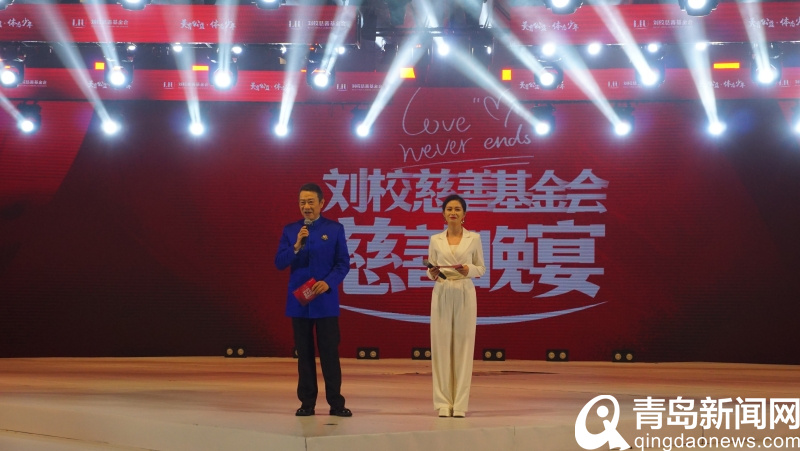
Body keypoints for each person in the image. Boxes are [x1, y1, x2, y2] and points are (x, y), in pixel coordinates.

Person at [274, 183, 352, 417]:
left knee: (329, 353)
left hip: (325, 301)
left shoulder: (334, 229)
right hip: (300, 303)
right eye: (302, 202)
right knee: (304, 354)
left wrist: (329, 282)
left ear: (322, 203)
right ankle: (307, 403)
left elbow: (343, 263)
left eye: (310, 202)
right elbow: (279, 263)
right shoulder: (291, 230)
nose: (306, 206)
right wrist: (296, 246)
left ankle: (336, 403)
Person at [426, 194, 486, 418]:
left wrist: (468, 270)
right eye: (449, 209)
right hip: (442, 290)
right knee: (440, 346)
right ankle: (443, 403)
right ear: (443, 214)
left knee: (463, 346)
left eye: (457, 209)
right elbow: (430, 268)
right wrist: (432, 272)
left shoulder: (474, 238)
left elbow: (481, 268)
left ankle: (460, 404)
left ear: (464, 214)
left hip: (464, 290)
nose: (453, 212)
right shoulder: (435, 239)